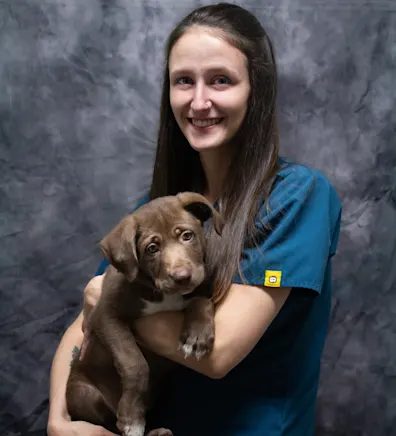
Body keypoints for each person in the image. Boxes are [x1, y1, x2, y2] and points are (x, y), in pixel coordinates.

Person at [47, 3, 342, 436]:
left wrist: (108, 310)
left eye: (220, 80)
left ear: (255, 90)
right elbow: (80, 327)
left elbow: (217, 352)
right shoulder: (160, 209)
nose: (199, 101)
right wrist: (59, 420)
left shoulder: (299, 197)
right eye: (184, 81)